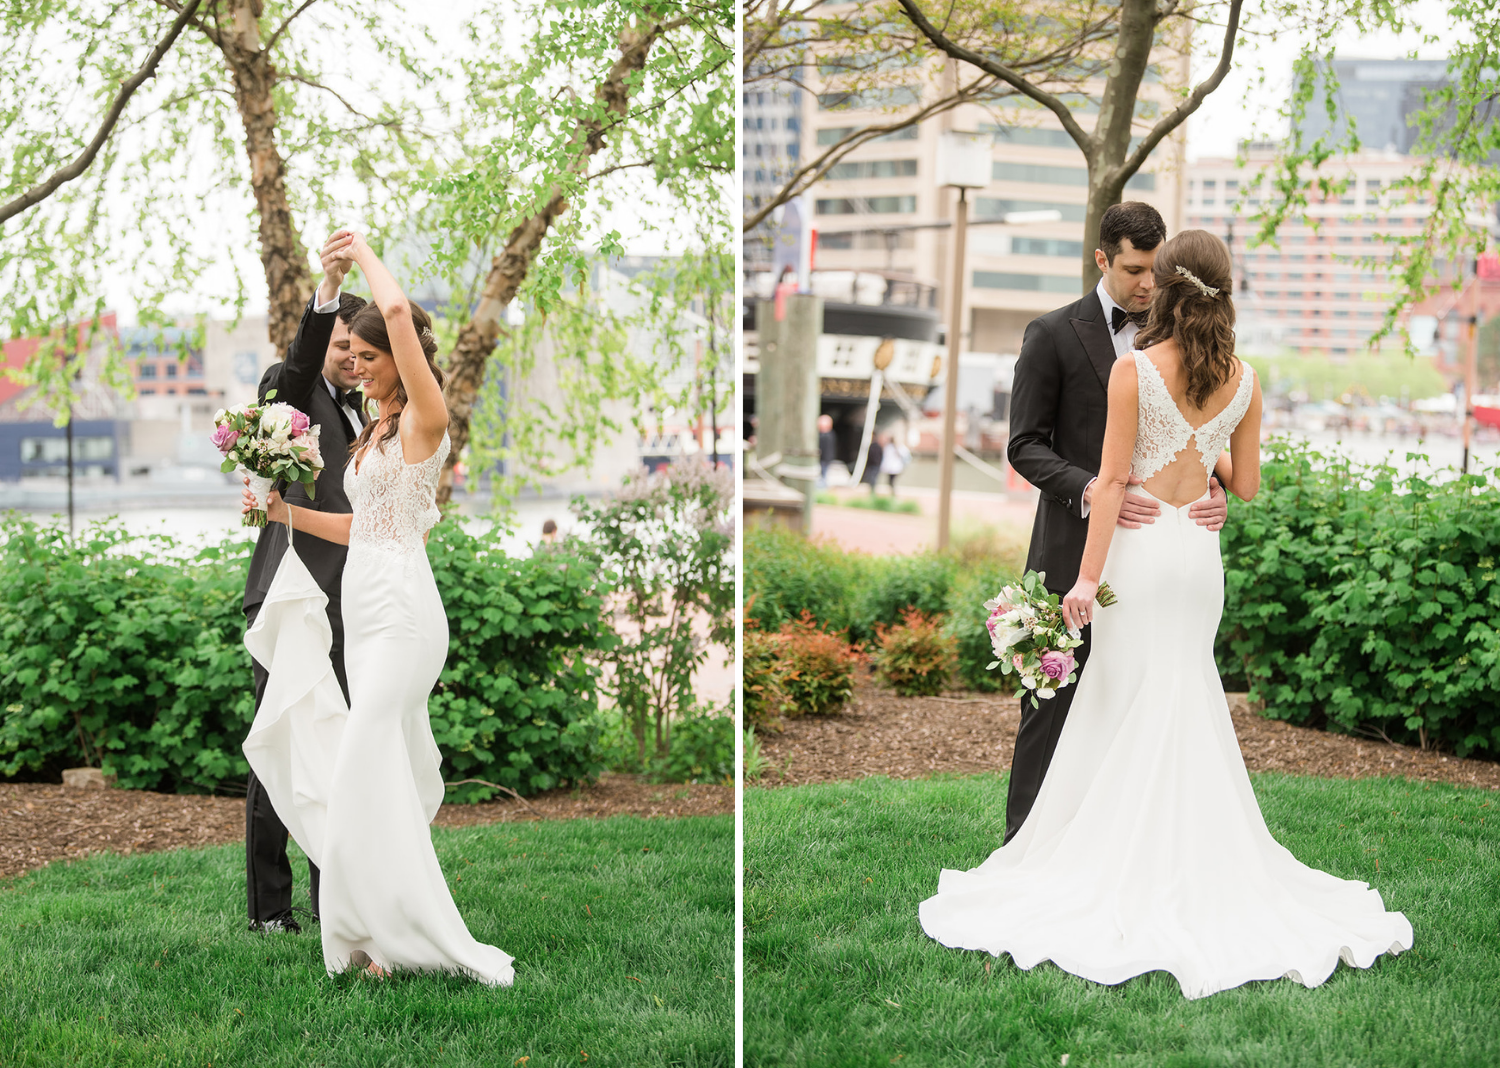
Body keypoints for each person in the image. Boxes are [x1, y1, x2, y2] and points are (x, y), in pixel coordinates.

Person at [919, 230, 1412, 999]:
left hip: (1141, 560)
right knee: (1182, 696)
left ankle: (1113, 859)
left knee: (1121, 700)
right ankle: (1188, 857)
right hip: (1197, 560)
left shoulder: (1134, 370)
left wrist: (1084, 582)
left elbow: (1112, 485)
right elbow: (1244, 485)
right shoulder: (1244, 378)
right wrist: (1203, 454)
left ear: (1172, 288)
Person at [241, 230, 514, 986]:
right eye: (350, 358)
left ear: (401, 356)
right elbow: (359, 526)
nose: (355, 365)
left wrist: (355, 256)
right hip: (360, 611)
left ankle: (398, 938)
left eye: (365, 355)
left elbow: (394, 306)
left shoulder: (426, 417)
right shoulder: (373, 433)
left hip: (401, 612)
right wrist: (278, 515)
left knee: (361, 764)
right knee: (372, 773)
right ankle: (375, 933)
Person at [1001, 202, 1228, 844]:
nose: (1148, 285)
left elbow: (1196, 440)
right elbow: (1024, 444)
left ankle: (1109, 848)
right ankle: (1026, 842)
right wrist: (1095, 490)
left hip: (1156, 559)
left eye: (1157, 271)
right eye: (1133, 269)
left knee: (1136, 703)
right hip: (1074, 547)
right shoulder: (1050, 334)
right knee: (1053, 704)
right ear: (1102, 258)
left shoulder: (1186, 341)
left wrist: (1214, 490)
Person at [240, 232, 368, 935]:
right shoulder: (286, 391)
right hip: (288, 597)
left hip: (349, 602)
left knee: (339, 750)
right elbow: (294, 368)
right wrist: (327, 290)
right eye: (344, 345)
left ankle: (333, 904)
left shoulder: (364, 410)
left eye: (359, 349)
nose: (352, 359)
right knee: (280, 746)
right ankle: (269, 912)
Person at [879, 429, 910, 495]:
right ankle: (892, 493)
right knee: (890, 482)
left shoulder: (894, 447)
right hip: (893, 468)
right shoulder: (890, 447)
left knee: (891, 481)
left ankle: (893, 494)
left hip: (894, 468)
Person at [817, 414, 837, 486]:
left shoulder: (826, 435)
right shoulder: (829, 434)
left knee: (822, 476)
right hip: (824, 459)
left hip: (824, 459)